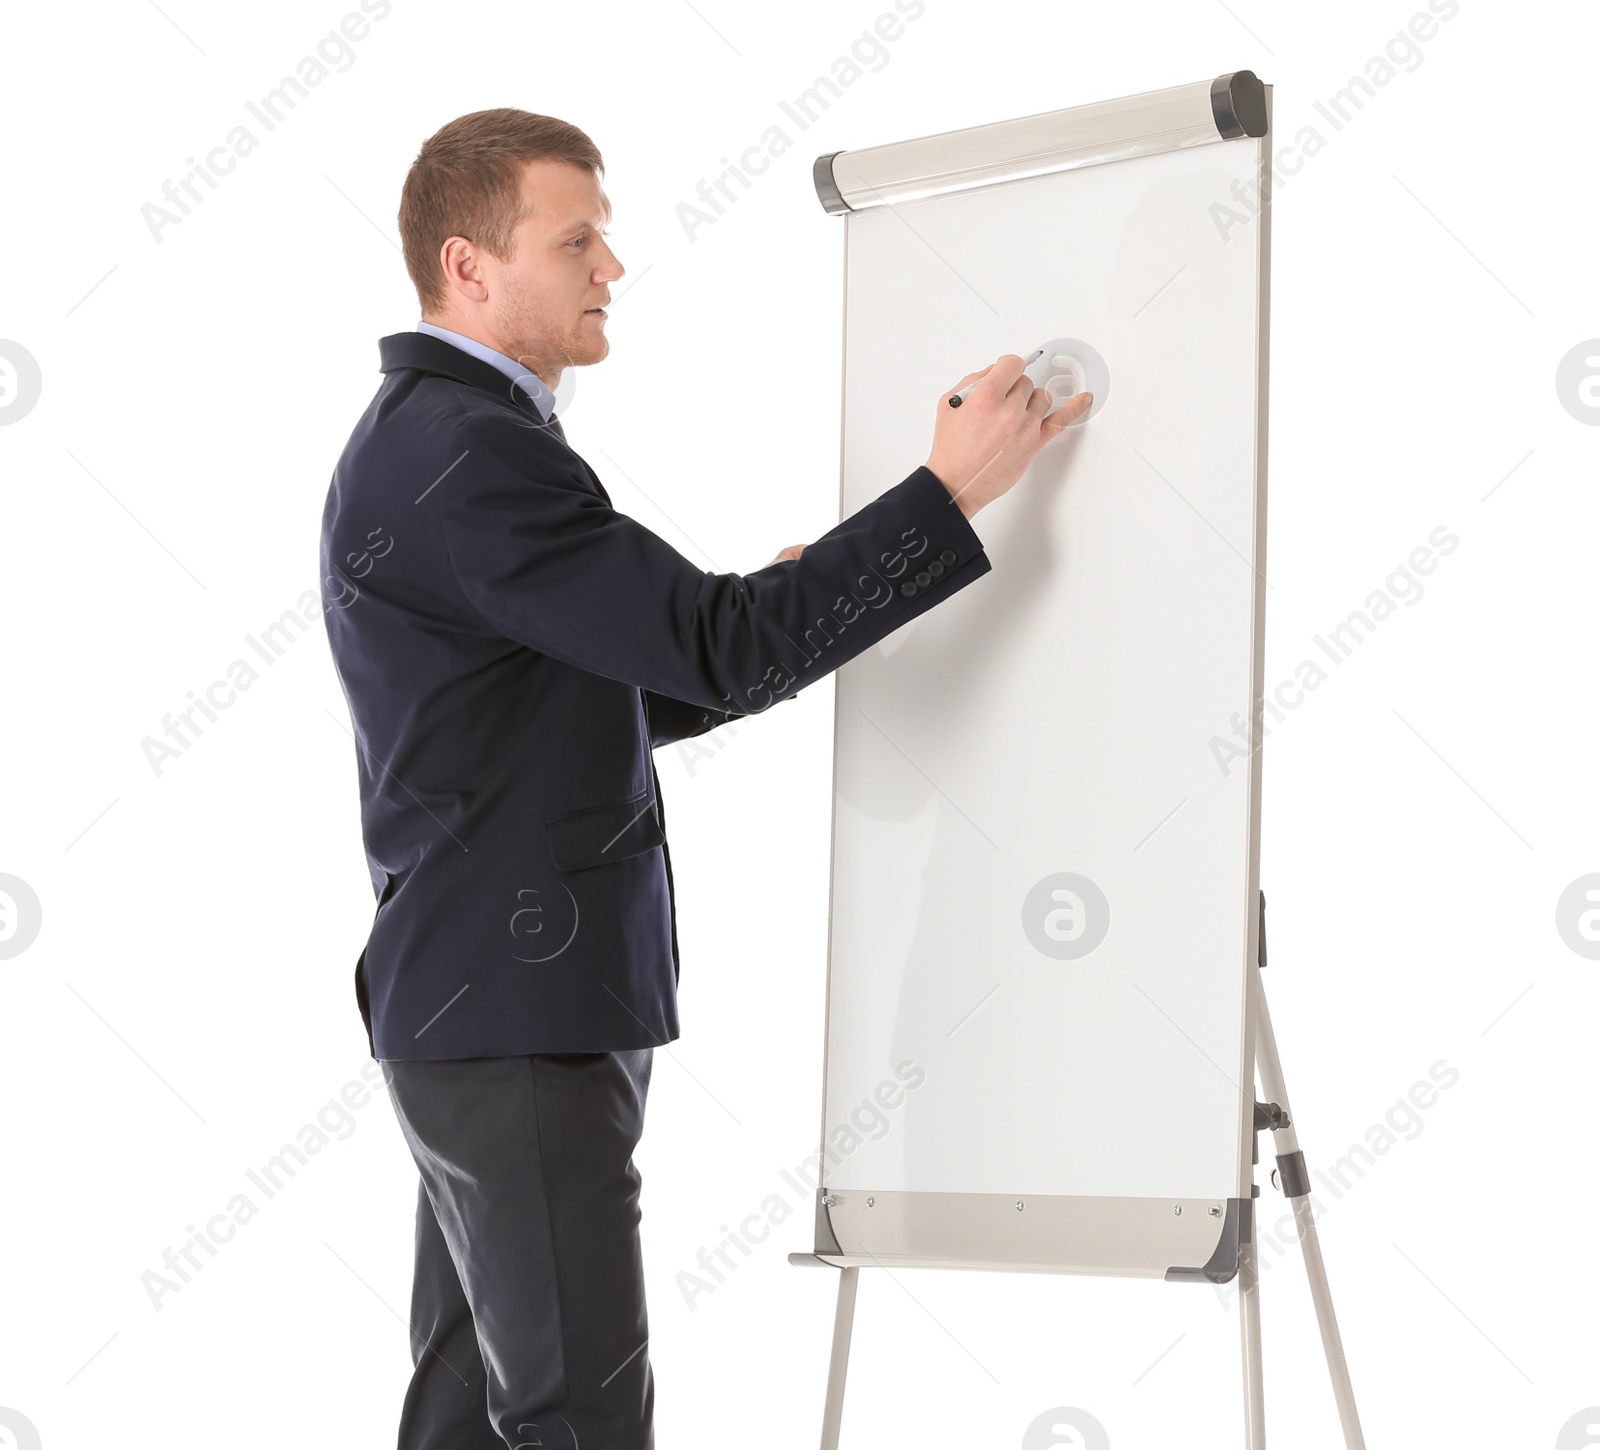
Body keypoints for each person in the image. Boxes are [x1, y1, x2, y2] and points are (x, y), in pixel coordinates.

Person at [318, 107, 1089, 1450]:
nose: (611, 267)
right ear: (468, 267)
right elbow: (718, 650)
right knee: (576, 1421)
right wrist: (944, 493)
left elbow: (584, 690)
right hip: (516, 1016)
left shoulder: (433, 436)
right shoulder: (468, 451)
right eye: (577, 240)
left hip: (474, 1008)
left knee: (470, 1417)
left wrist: (775, 604)